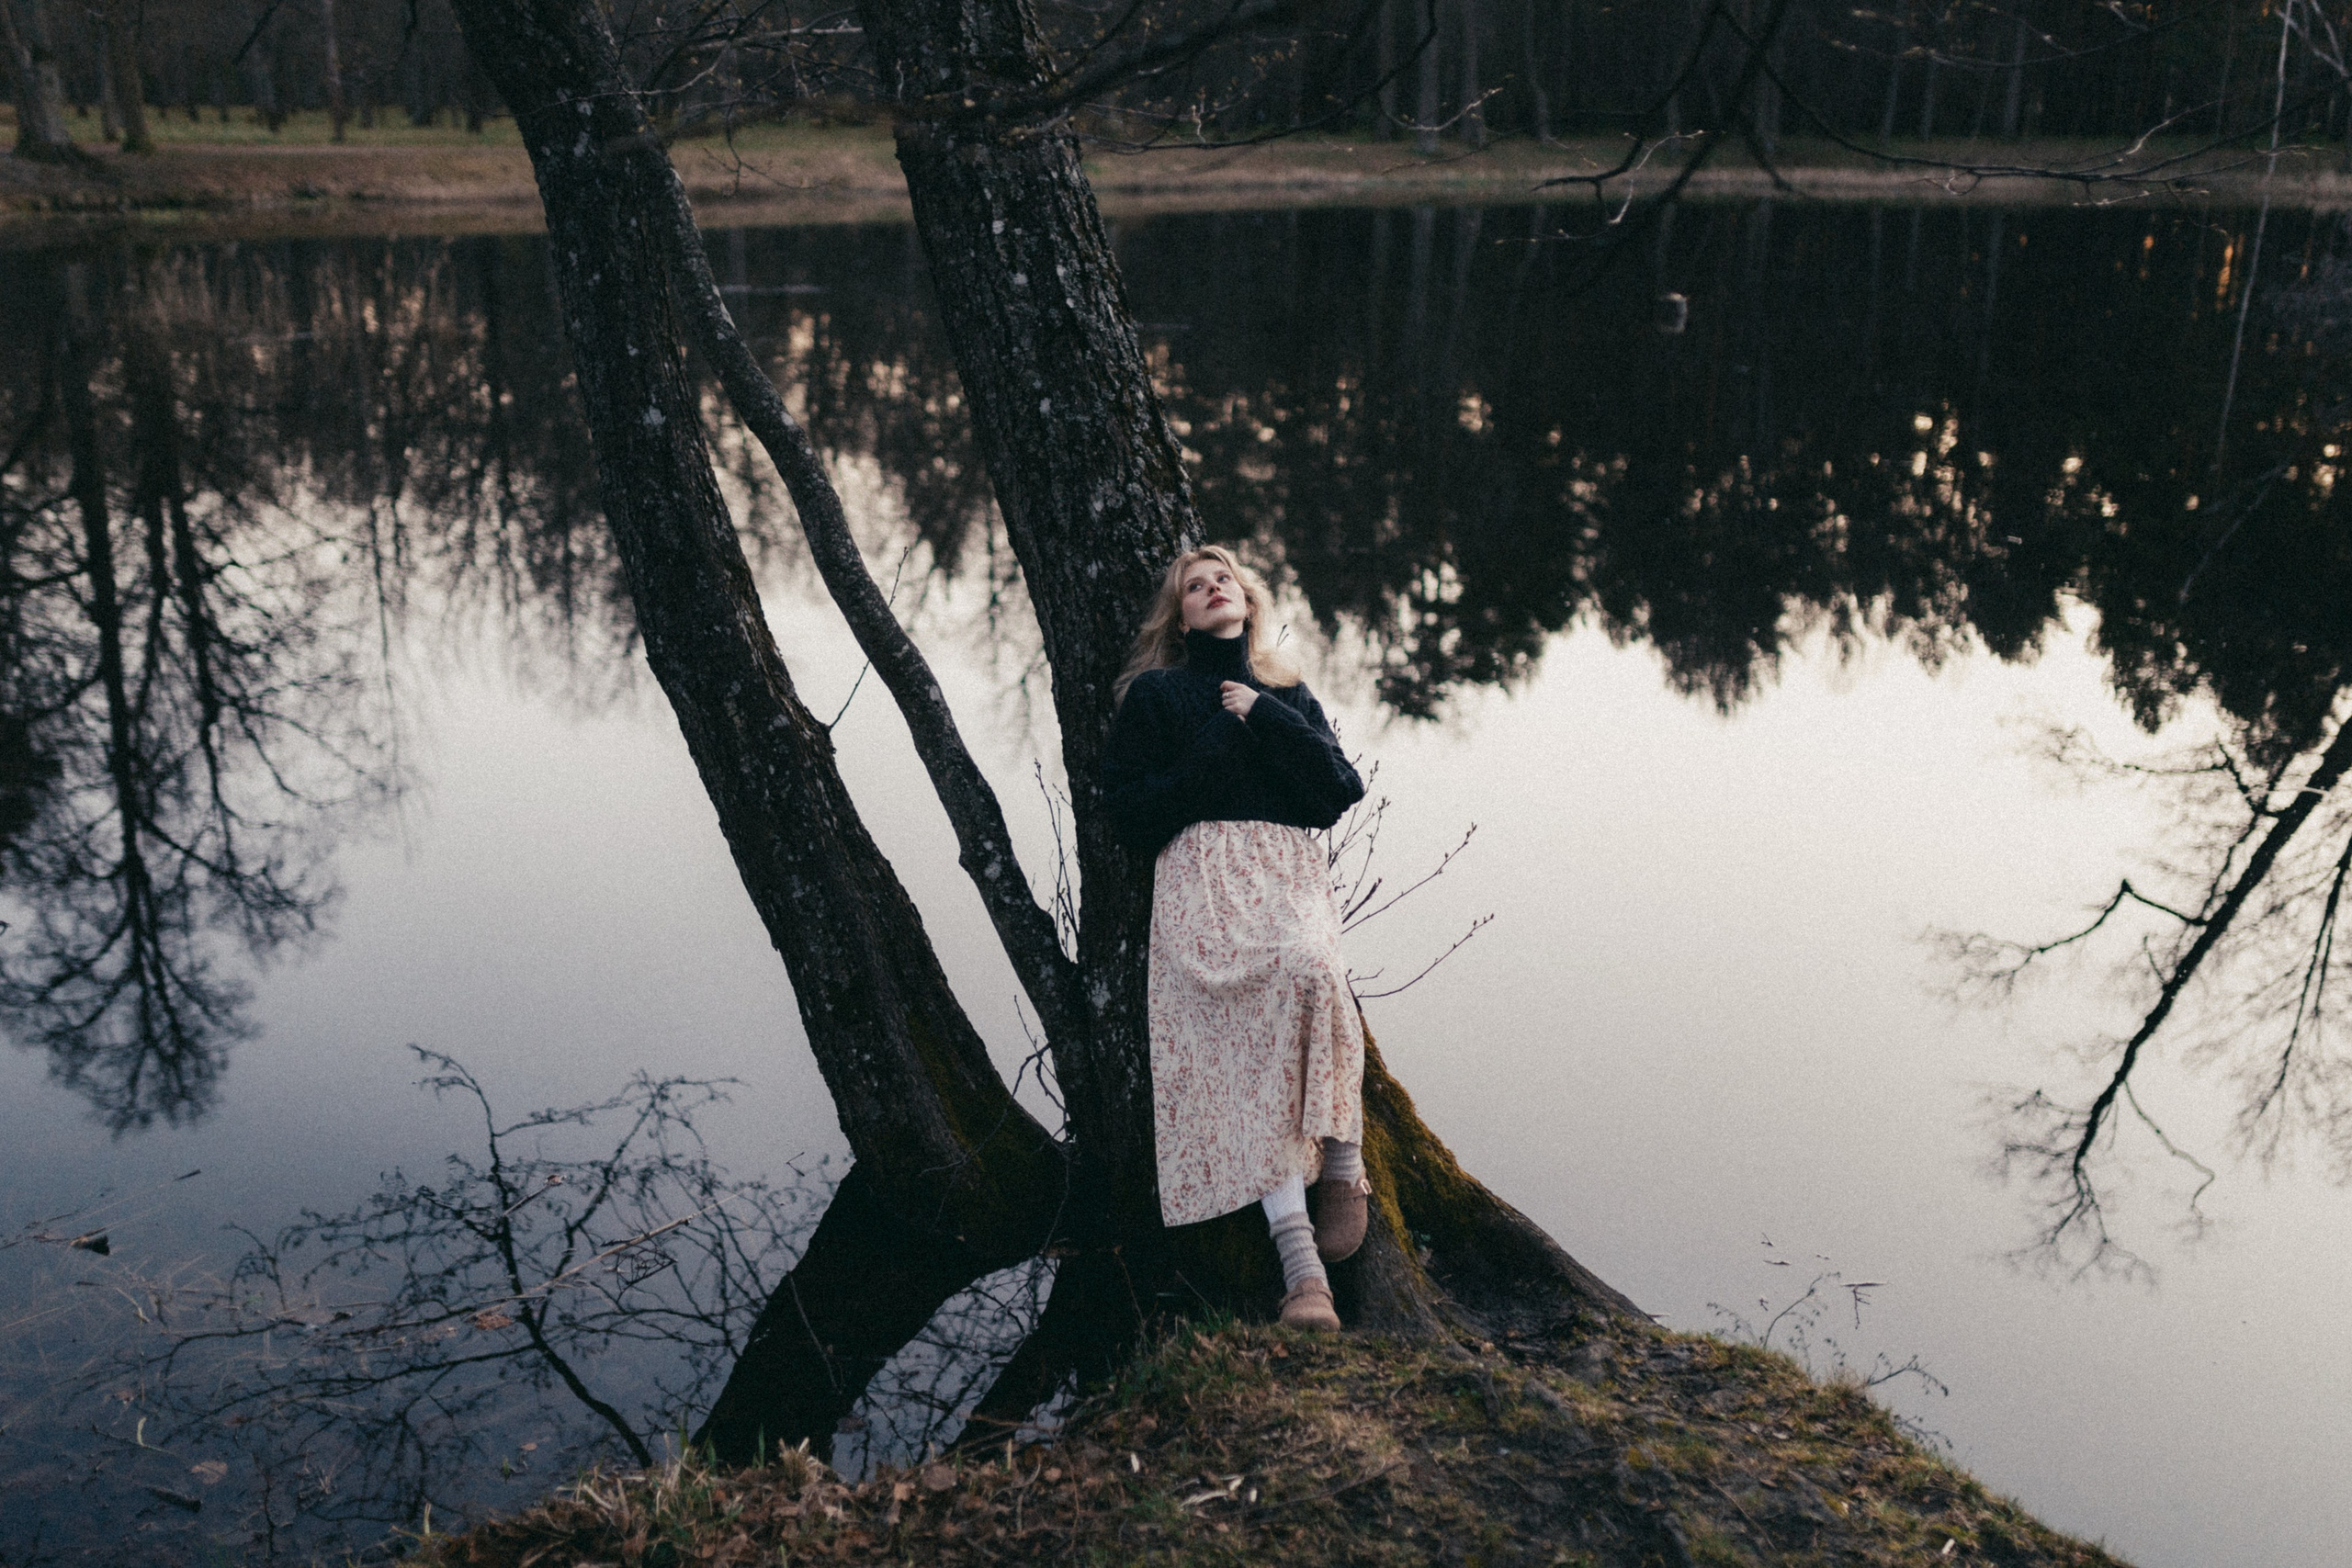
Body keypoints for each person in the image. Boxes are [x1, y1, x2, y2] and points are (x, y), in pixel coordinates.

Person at [1101, 545, 1370, 1330]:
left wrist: (1264, 715)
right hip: (1202, 884)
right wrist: (1210, 751)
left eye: (1224, 579)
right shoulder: (1155, 695)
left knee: (1315, 967)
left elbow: (1336, 790)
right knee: (1243, 1048)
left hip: (1284, 874)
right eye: (1194, 585)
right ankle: (1302, 1273)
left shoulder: (1286, 690)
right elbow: (1131, 812)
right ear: (1179, 615)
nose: (1212, 588)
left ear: (1248, 602)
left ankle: (1344, 1160)